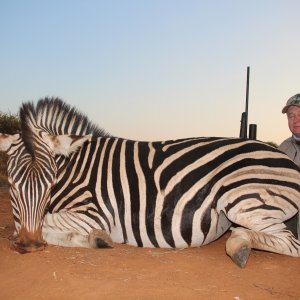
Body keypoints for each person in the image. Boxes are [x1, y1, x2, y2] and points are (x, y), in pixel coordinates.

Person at [279, 93, 300, 238]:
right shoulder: (283, 148)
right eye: (291, 116)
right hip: (288, 210)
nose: (296, 120)